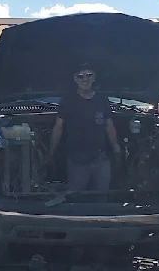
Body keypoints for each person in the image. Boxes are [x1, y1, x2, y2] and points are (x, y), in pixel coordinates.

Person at [49, 62, 121, 194]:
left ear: (94, 77)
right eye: (80, 76)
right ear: (75, 79)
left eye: (89, 75)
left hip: (100, 159)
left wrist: (116, 147)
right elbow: (58, 127)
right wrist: (51, 151)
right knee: (77, 199)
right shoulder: (68, 100)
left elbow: (109, 125)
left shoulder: (102, 99)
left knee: (102, 197)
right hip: (77, 161)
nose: (85, 79)